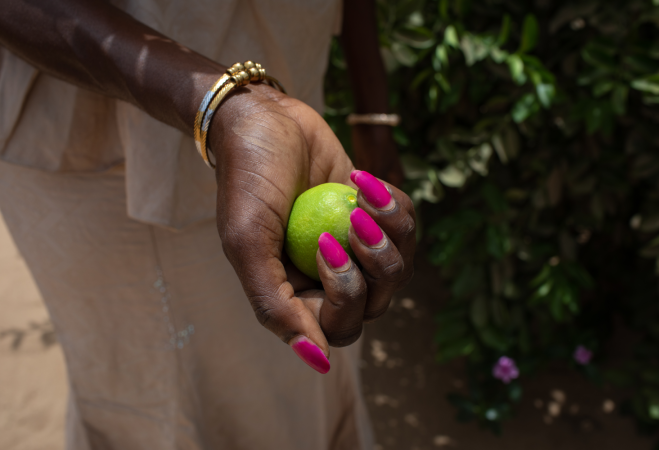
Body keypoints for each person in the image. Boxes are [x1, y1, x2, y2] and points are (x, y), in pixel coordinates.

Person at [0, 0, 416, 449]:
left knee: (290, 393)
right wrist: (223, 105)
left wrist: (373, 113)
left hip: (284, 89)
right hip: (88, 116)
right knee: (151, 398)